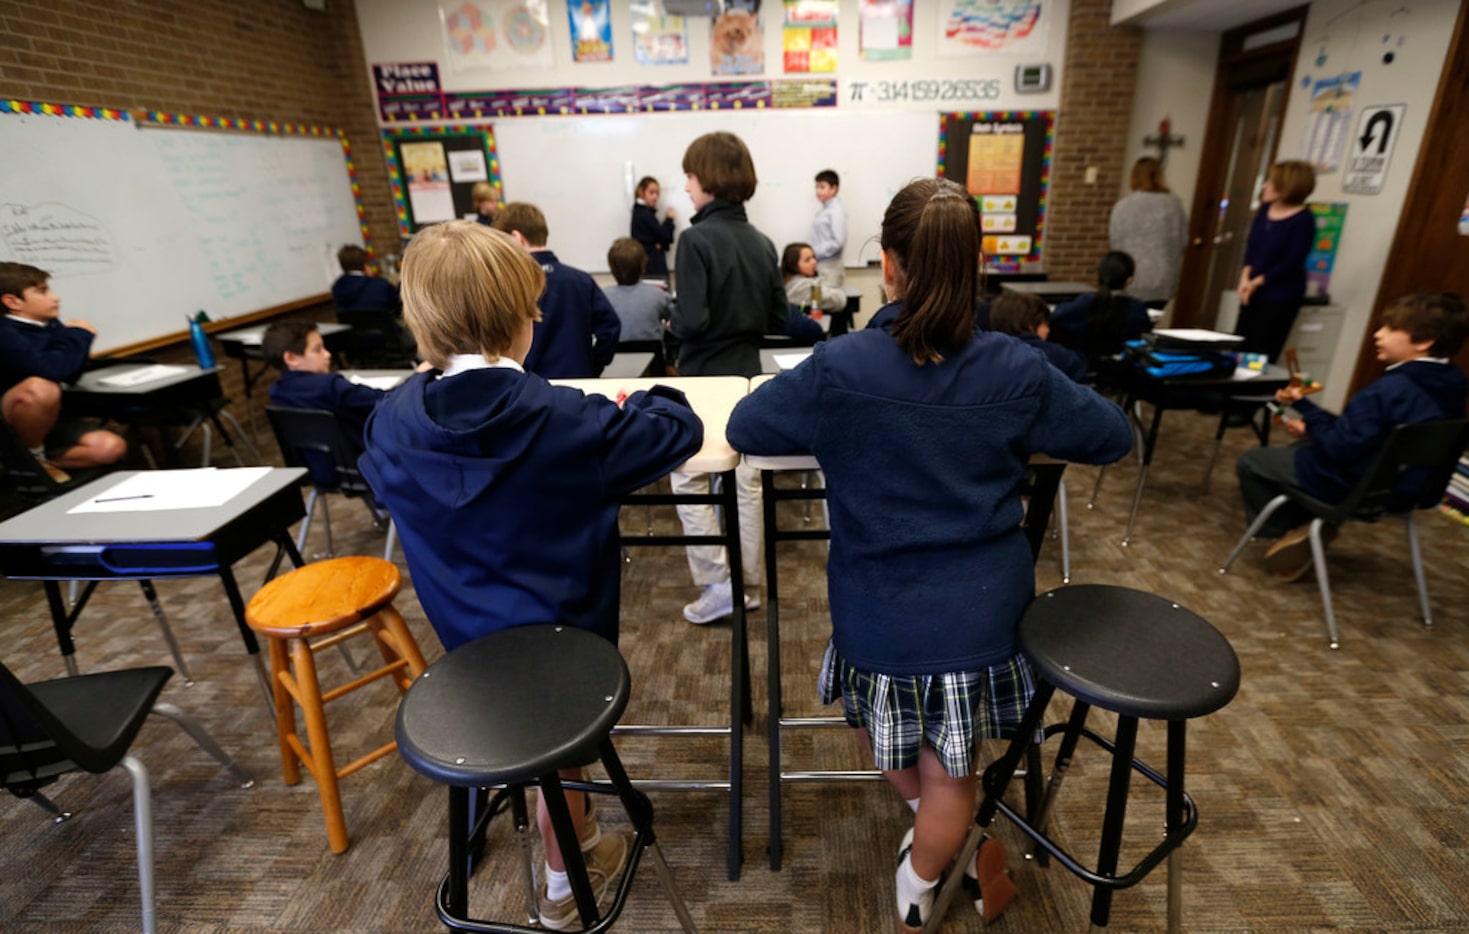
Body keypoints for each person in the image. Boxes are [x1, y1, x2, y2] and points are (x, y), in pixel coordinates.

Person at [726, 177, 1133, 932]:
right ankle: (924, 873)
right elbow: (1111, 436)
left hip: (875, 611)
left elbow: (749, 425)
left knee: (875, 721)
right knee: (957, 771)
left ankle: (924, 870)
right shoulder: (1015, 367)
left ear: (888, 263)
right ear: (973, 264)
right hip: (982, 615)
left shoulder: (840, 364)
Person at [359, 220, 703, 931]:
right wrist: (658, 395)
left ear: (419, 321)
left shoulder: (390, 422)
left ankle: (565, 847)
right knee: (560, 748)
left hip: (464, 649)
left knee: (541, 731)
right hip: (564, 648)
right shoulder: (563, 420)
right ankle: (562, 882)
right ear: (525, 321)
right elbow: (676, 430)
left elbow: (386, 486)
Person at [1235, 291, 1469, 581]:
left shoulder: (1385, 391)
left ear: (1423, 343)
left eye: (1392, 328)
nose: (1378, 334)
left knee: (1253, 461)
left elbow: (1339, 448)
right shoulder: (1454, 383)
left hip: (1353, 486)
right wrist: (1309, 414)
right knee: (1303, 443)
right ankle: (1310, 526)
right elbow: (1376, 434)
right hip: (1410, 489)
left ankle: (1293, 531)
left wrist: (1313, 422)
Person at [669, 131, 787, 623]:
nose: (688, 188)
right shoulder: (762, 242)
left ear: (709, 181)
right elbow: (778, 320)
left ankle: (719, 583)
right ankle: (750, 584)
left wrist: (670, 325)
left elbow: (692, 321)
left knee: (689, 478)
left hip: (703, 382)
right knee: (747, 483)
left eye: (690, 178)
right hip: (748, 376)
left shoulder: (694, 240)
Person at [0, 261, 126, 483]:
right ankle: (32, 457)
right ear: (12, 302)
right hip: (9, 425)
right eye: (42, 291)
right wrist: (80, 336)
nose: (55, 297)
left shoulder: (48, 325)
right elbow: (51, 371)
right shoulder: (5, 332)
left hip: (49, 420)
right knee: (40, 388)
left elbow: (70, 373)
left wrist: (75, 343)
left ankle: (23, 465)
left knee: (111, 448)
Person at [494, 202, 621, 378]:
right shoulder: (581, 280)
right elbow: (610, 328)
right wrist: (593, 366)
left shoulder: (507, 286)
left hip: (529, 389)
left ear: (516, 238)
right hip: (580, 384)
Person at [262, 320, 387, 450]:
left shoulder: (277, 392)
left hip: (324, 465)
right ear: (291, 358)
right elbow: (385, 401)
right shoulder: (330, 386)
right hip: (367, 458)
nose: (328, 354)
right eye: (317, 350)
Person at [1237, 160, 1317, 361]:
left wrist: (1256, 282)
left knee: (1261, 352)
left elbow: (1291, 262)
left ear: (1286, 188)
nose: (1265, 186)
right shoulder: (1265, 211)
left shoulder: (1304, 220)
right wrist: (1245, 279)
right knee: (1240, 347)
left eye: (1271, 182)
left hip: (1280, 296)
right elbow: (1251, 248)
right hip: (1252, 291)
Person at [1049, 251, 1154, 369]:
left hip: (1081, 371)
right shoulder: (1137, 308)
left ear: (1098, 275)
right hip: (1123, 373)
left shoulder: (1082, 304)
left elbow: (1054, 319)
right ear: (1129, 280)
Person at [1109, 157, 1188, 308]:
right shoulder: (1174, 206)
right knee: (1151, 319)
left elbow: (1115, 243)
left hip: (1130, 277)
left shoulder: (1123, 206)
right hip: (1163, 277)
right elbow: (1181, 241)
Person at [988, 290, 1087, 382]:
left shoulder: (990, 353)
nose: (1048, 330)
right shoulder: (1056, 356)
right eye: (1044, 323)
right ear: (1031, 325)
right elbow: (1079, 368)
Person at [603, 237, 671, 342]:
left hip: (616, 357)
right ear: (643, 266)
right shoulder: (658, 295)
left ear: (612, 269)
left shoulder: (604, 297)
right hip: (653, 355)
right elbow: (677, 320)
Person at [779, 242, 841, 345]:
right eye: (807, 260)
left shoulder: (784, 282)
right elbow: (839, 301)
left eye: (814, 257)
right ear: (793, 264)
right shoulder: (803, 287)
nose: (814, 262)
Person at [331, 244, 400, 314]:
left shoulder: (337, 287)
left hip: (354, 325)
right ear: (365, 265)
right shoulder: (380, 284)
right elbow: (397, 305)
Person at [630, 176, 675, 279]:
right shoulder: (644, 213)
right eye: (651, 192)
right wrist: (669, 220)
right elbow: (666, 236)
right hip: (652, 267)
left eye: (657, 193)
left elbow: (661, 237)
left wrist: (661, 244)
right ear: (641, 192)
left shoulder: (641, 211)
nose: (655, 197)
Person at [810, 168, 847, 288]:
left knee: (827, 304)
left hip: (830, 268)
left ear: (834, 189)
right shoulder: (825, 210)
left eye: (822, 187)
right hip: (821, 266)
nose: (818, 191)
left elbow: (838, 242)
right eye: (817, 187)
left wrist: (813, 253)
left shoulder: (836, 211)